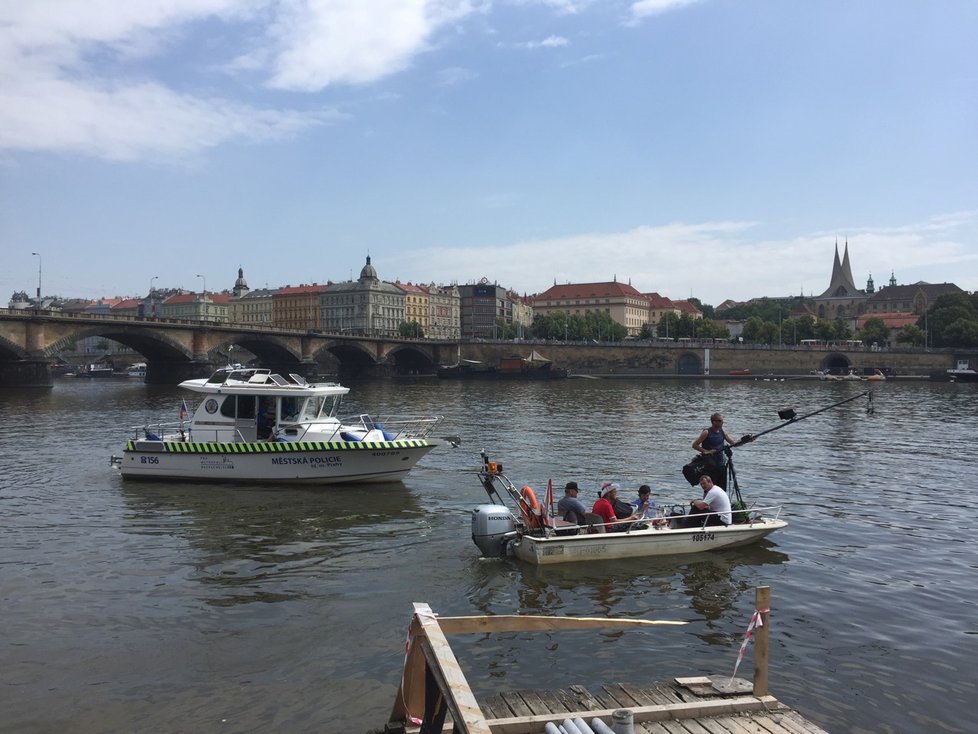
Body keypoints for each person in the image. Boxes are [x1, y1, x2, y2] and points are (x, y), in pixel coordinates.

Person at [692, 413, 738, 489]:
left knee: (722, 488)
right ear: (714, 422)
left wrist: (748, 440)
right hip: (710, 465)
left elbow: (734, 444)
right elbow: (694, 445)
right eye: (720, 421)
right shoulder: (706, 432)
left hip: (721, 464)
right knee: (711, 488)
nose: (722, 423)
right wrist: (706, 451)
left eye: (722, 421)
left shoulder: (722, 431)